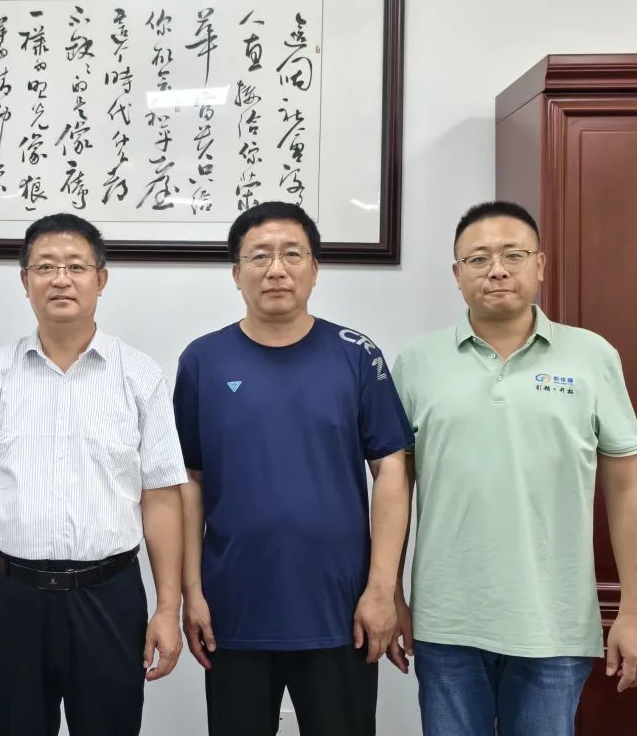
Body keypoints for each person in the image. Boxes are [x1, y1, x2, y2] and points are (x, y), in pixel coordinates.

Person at [391, 201, 637, 736]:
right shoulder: (416, 362)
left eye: (513, 255)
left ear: (540, 264)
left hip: (554, 624)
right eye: (478, 259)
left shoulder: (592, 356)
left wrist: (633, 610)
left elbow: (625, 488)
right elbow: (394, 490)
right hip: (447, 623)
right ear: (457, 274)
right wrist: (391, 594)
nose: (496, 270)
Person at [0, 213, 187, 736]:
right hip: (12, 597)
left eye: (76, 266)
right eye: (45, 267)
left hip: (109, 596)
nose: (60, 279)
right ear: (24, 280)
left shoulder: (139, 375)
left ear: (101, 278)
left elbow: (162, 498)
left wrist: (169, 609)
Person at [174, 201, 413, 736]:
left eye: (292, 254)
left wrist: (381, 589)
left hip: (341, 610)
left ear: (315, 268)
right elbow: (188, 482)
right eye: (259, 256)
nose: (276, 269)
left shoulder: (357, 355)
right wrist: (192, 591)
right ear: (236, 272)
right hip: (235, 609)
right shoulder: (203, 361)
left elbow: (392, 469)